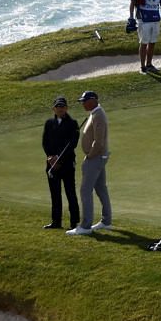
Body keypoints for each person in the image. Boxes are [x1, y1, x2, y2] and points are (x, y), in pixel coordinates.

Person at [69, 90, 112, 235]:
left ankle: (85, 226)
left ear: (93, 100)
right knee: (101, 188)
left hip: (96, 157)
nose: (82, 104)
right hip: (99, 157)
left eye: (84, 101)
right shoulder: (95, 113)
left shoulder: (98, 115)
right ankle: (106, 221)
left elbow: (98, 142)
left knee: (85, 190)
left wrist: (90, 156)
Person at [42, 95, 81, 231]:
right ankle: (56, 221)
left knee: (70, 192)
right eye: (58, 107)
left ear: (66, 108)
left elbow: (72, 145)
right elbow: (45, 142)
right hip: (52, 164)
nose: (60, 109)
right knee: (55, 194)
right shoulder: (49, 123)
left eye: (63, 107)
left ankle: (74, 222)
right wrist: (50, 157)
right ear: (54, 109)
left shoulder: (73, 124)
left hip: (67, 164)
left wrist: (59, 158)